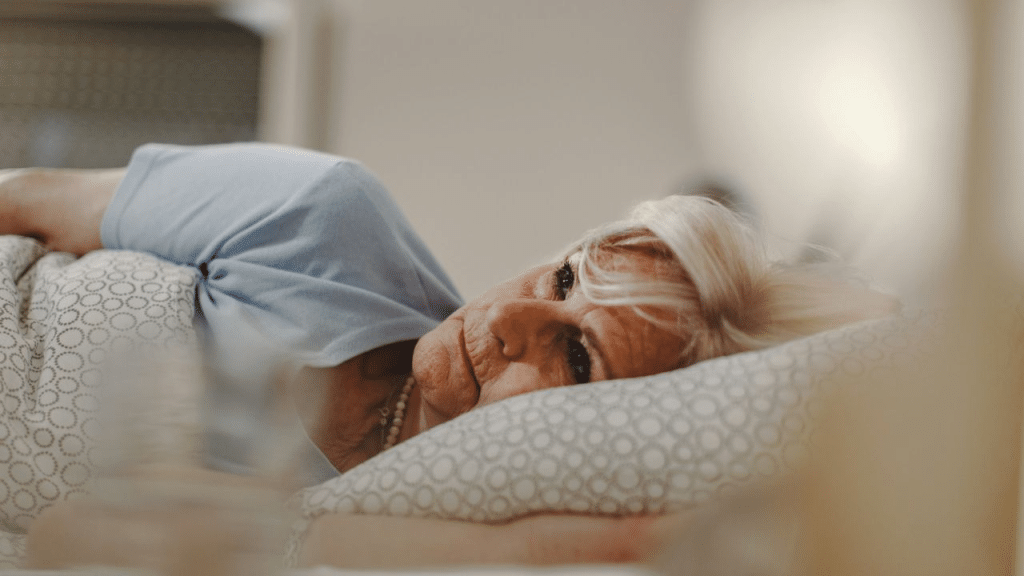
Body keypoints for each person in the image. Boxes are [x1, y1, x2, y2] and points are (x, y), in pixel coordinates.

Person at [1, 143, 896, 568]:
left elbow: (59, 542)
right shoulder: (326, 216)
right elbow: (28, 197)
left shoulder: (428, 514)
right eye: (560, 280)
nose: (508, 319)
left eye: (578, 358)